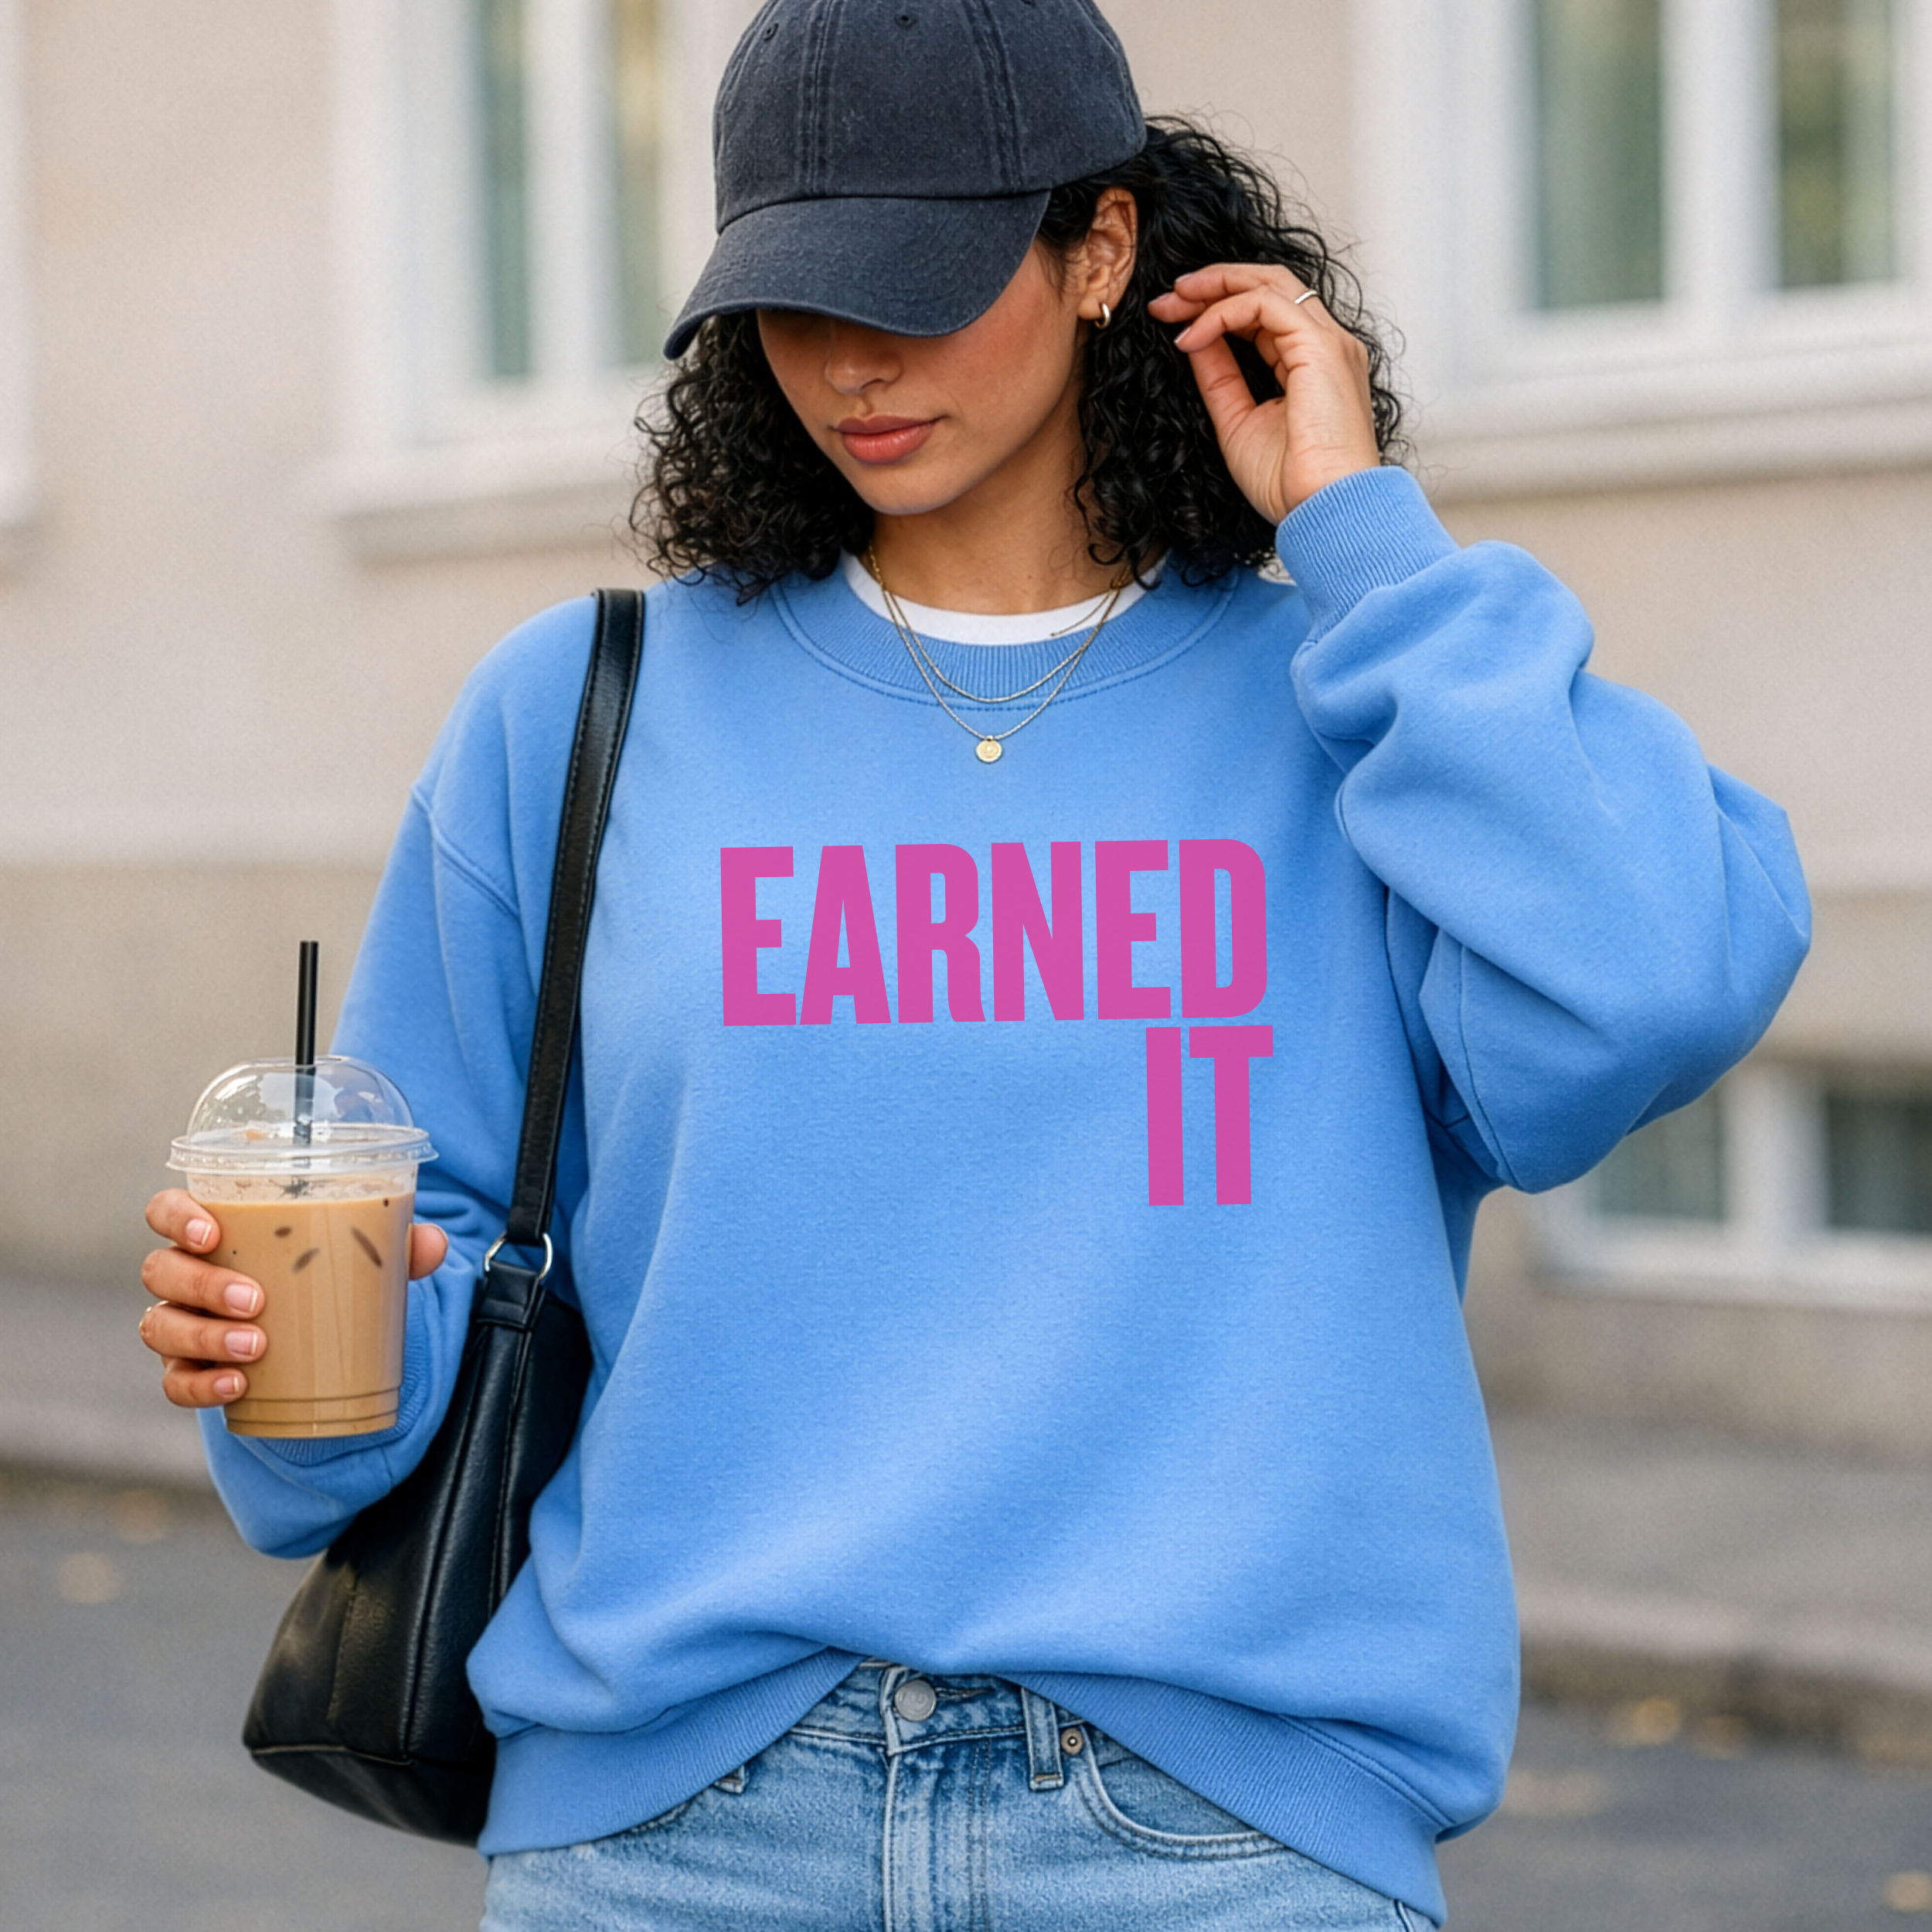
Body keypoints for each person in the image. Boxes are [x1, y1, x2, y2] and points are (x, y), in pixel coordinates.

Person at [138, 3, 1810, 1927]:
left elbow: (1658, 979)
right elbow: (402, 1285)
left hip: (1219, 1840)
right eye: (789, 298)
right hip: (673, 1833)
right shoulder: (579, 712)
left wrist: (1367, 543)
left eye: (915, 286)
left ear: (1101, 250)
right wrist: (266, 1352)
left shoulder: (1353, 707)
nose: (848, 361)